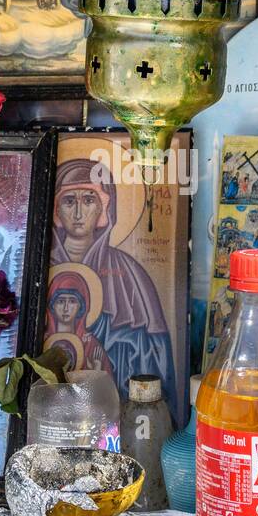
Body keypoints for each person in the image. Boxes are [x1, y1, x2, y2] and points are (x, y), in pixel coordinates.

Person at [49, 158, 177, 410]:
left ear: (105, 209)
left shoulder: (130, 274)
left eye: (88, 200)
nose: (77, 213)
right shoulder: (37, 266)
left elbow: (151, 358)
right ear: (55, 210)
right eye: (68, 201)